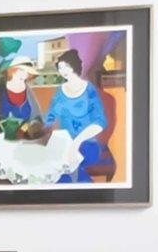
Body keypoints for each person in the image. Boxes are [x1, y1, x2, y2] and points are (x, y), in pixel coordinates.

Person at [44, 46, 114, 182]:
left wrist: (77, 141)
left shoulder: (89, 90)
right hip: (64, 143)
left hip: (88, 143)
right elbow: (50, 116)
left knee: (66, 168)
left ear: (73, 66)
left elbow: (100, 121)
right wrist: (39, 128)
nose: (62, 71)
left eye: (65, 67)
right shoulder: (60, 92)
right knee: (50, 165)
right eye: (60, 68)